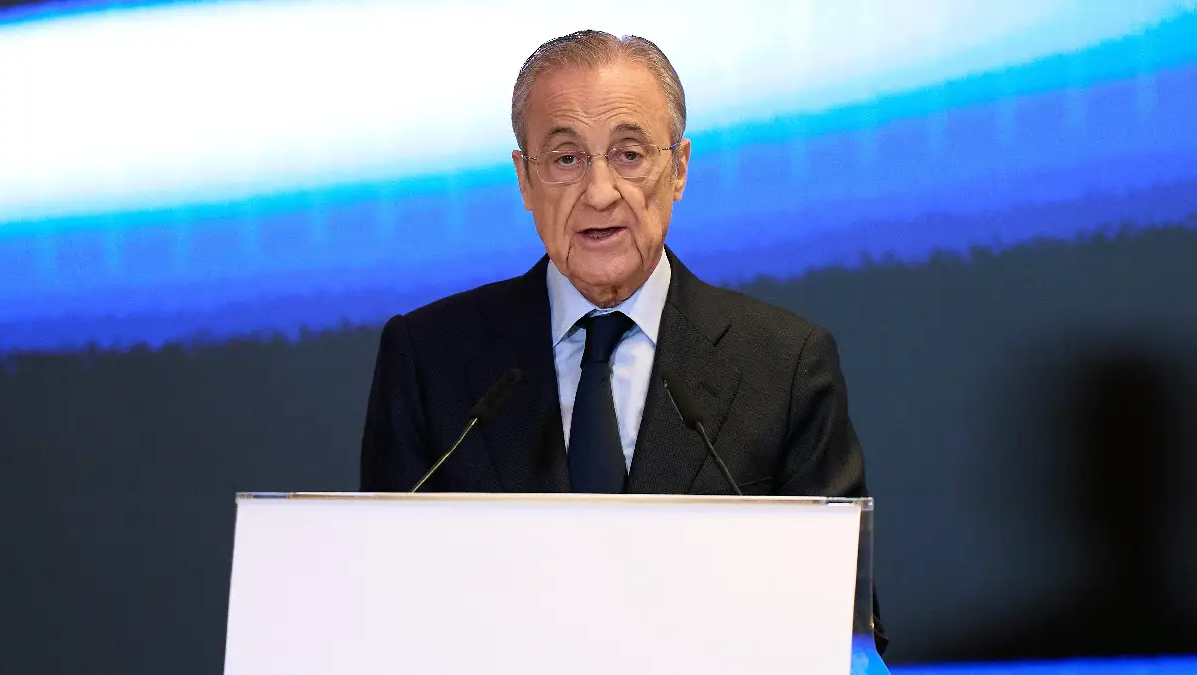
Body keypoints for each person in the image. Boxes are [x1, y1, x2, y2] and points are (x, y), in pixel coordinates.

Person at [360, 29, 885, 653]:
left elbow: (842, 629)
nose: (600, 192)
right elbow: (384, 611)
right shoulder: (428, 359)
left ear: (680, 169)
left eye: (629, 154)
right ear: (525, 181)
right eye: (565, 159)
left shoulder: (786, 366)